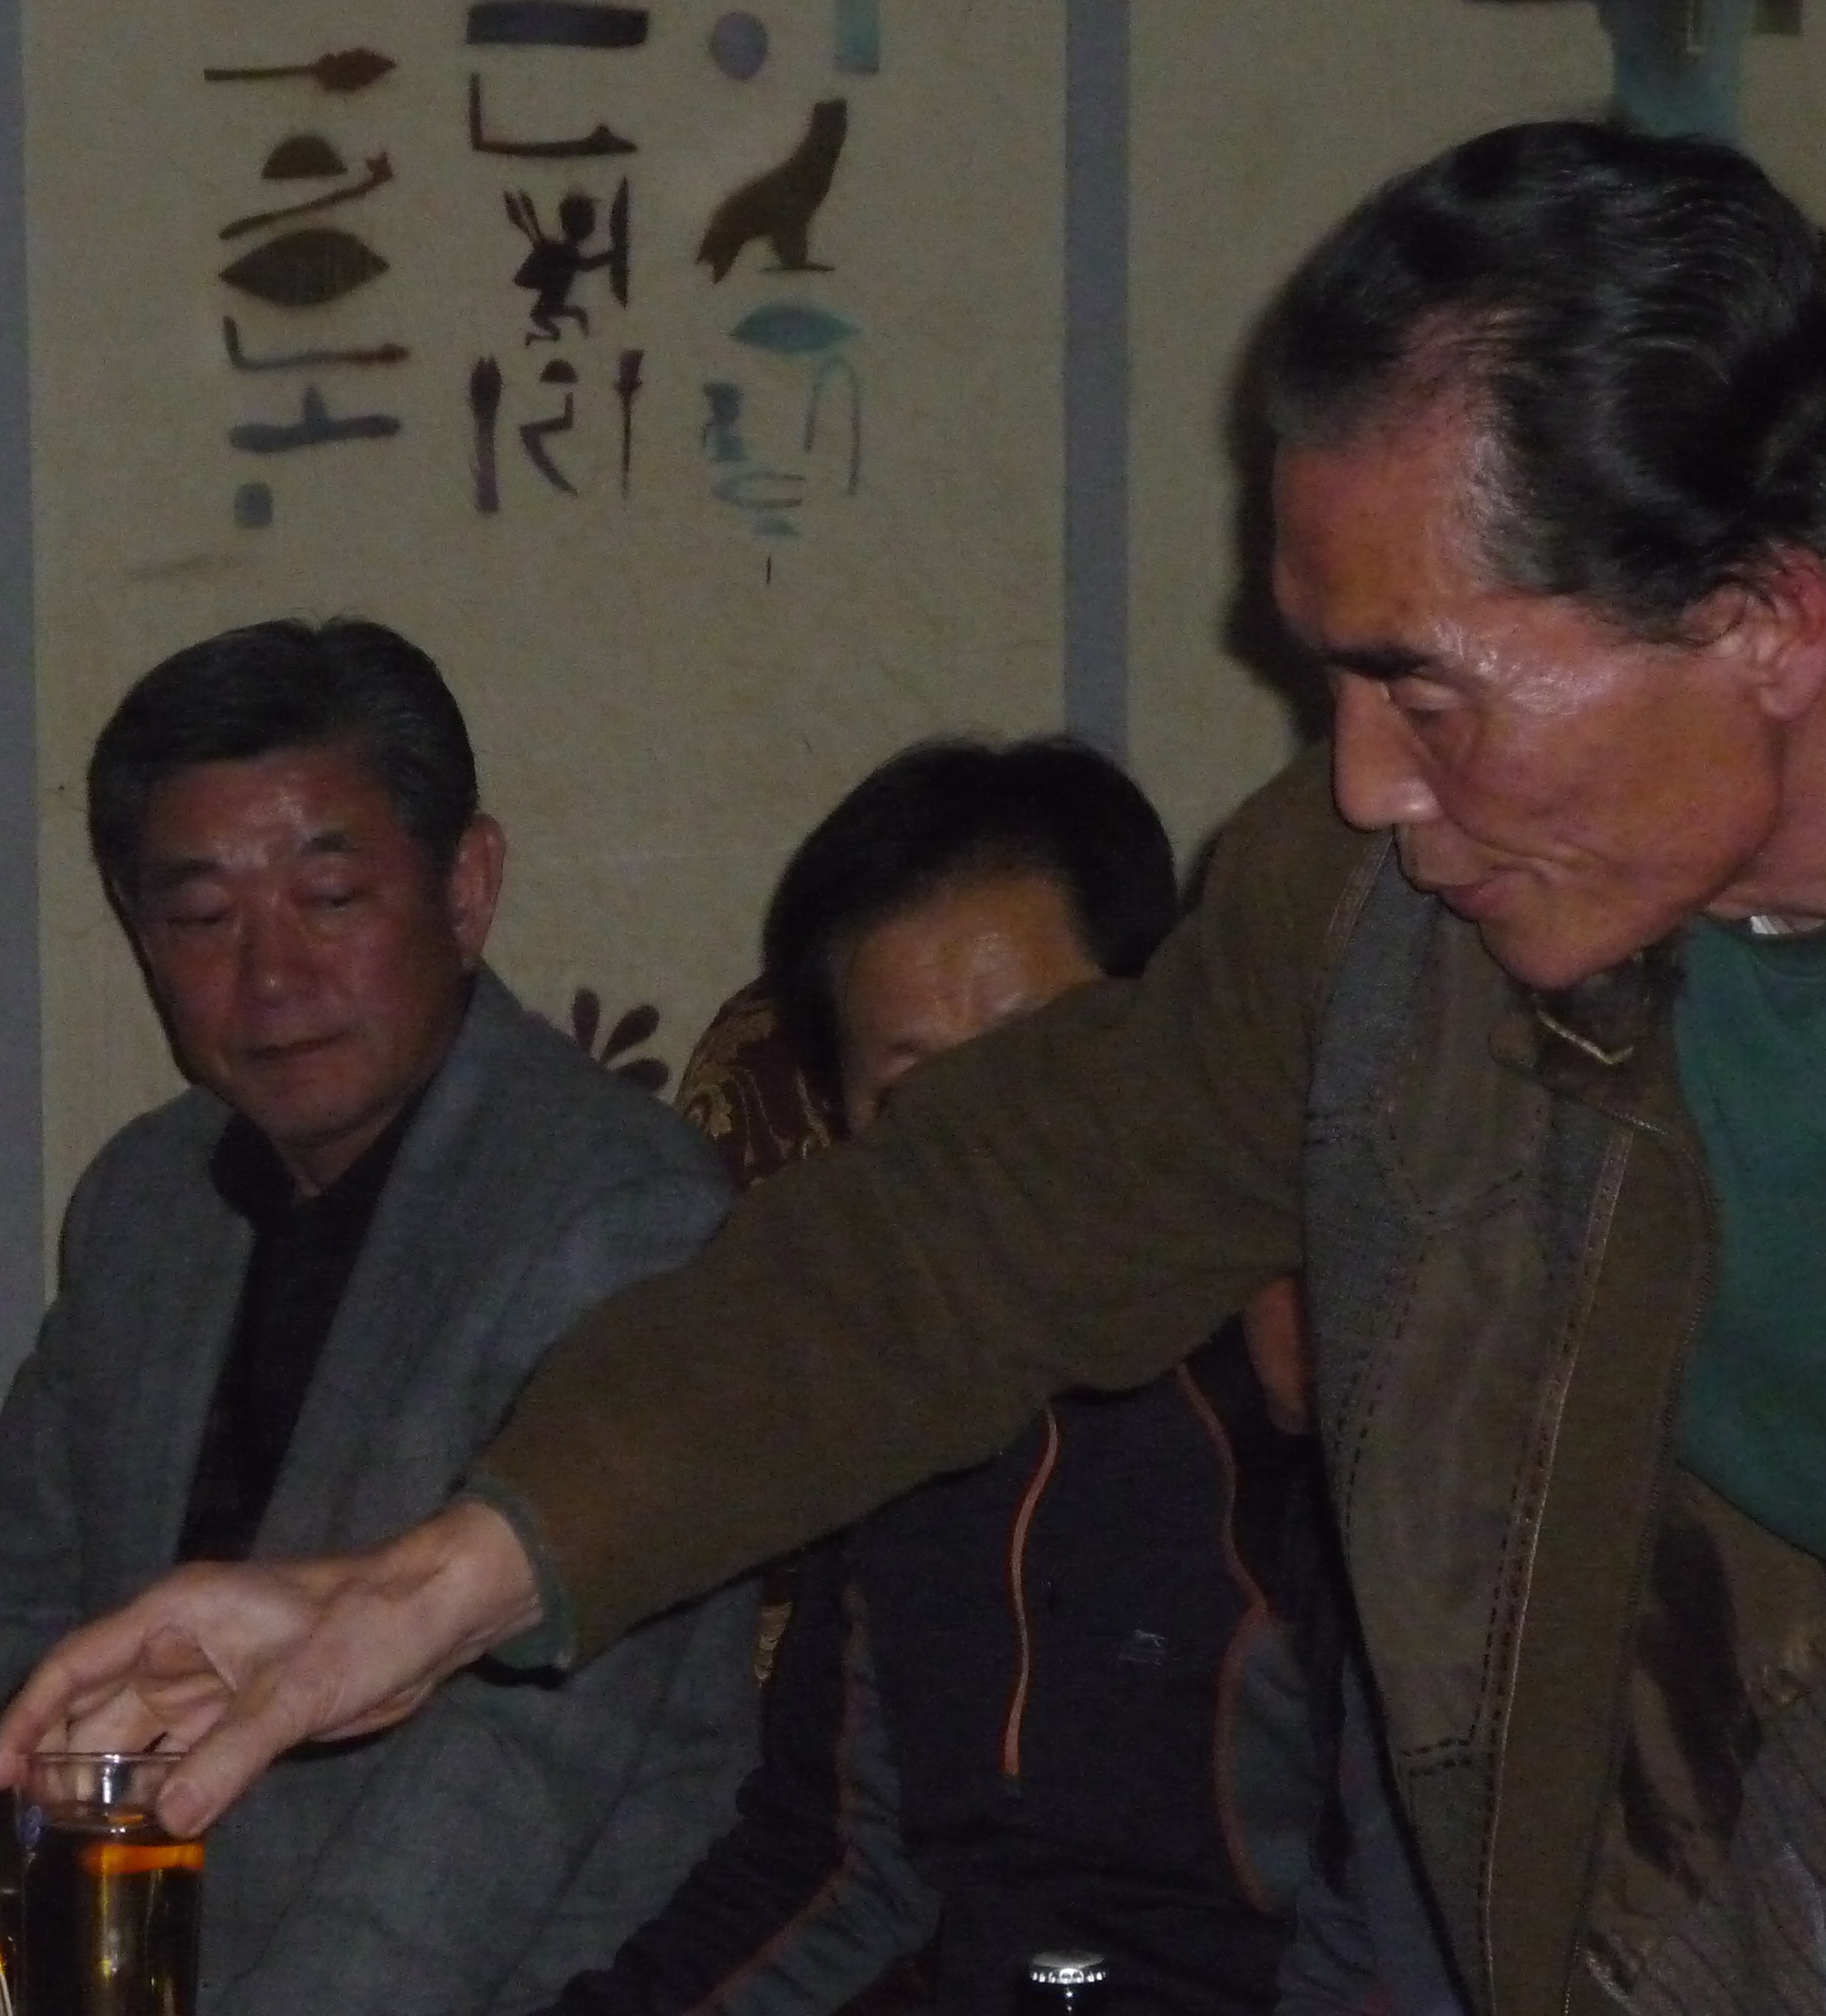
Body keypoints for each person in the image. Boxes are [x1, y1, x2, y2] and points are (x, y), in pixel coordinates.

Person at [0, 125, 1826, 2016]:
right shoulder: (1380, 914)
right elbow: (960, 1240)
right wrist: (423, 1585)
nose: (1362, 783)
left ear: (1764, 615)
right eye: (1328, 681)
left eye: (1427, 686)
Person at [0, 620, 758, 2013]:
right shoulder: (151, 1199)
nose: (271, 977)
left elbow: (515, 1772)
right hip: (143, 1954)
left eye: (329, 898)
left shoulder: (613, 1216)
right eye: (204, 918)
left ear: (467, 889)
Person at [540, 736, 1452, 2016]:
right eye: (921, 1102)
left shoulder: (1310, 1389)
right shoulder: (881, 1425)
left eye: (1045, 1066)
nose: (993, 1150)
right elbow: (835, 1867)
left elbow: (1408, 1916)